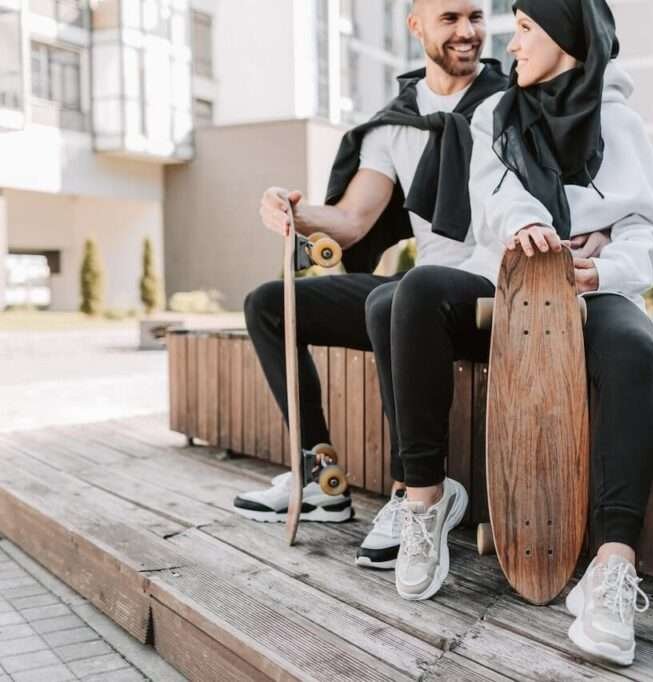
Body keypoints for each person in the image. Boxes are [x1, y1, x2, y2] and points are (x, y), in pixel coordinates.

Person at [382, 0, 653, 666]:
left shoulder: (619, 122)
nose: (510, 45)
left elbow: (651, 231)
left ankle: (611, 569)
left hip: (591, 289)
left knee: (633, 346)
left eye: (524, 30)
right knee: (420, 291)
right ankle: (425, 504)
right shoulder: (496, 115)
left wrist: (599, 267)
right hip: (511, 287)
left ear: (568, 38)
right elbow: (493, 202)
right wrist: (524, 227)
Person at [232, 0, 511, 571]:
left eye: (476, 17)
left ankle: (411, 492)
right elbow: (354, 220)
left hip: (494, 290)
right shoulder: (394, 124)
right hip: (419, 294)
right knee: (268, 304)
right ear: (416, 26)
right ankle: (319, 475)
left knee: (398, 293)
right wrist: (293, 209)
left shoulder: (512, 105)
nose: (467, 32)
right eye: (450, 19)